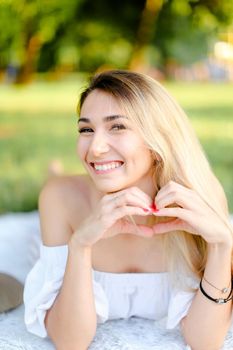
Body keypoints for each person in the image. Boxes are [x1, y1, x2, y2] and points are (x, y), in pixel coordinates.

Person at [24, 70, 233, 350]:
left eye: (117, 127)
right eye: (86, 129)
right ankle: (53, 172)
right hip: (70, 195)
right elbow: (70, 341)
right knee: (53, 186)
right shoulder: (60, 198)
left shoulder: (203, 196)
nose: (95, 148)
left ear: (158, 139)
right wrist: (80, 245)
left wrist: (221, 246)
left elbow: (205, 342)